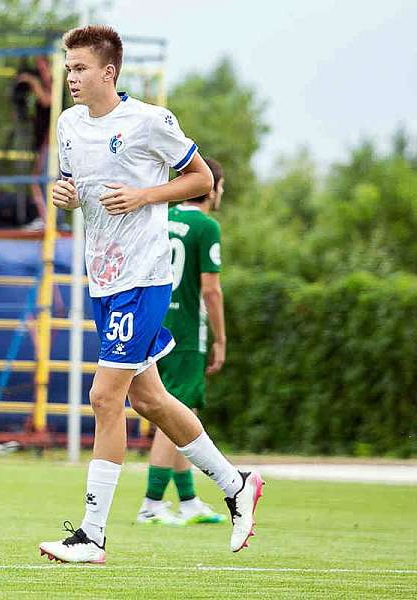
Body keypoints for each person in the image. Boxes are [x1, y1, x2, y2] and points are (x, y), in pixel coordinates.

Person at [38, 26, 262, 564]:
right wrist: (62, 195)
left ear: (108, 72)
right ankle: (237, 484)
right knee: (150, 400)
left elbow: (200, 179)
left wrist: (144, 194)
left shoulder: (149, 122)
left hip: (144, 277)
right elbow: (72, 190)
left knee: (103, 398)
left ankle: (92, 536)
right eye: (68, 68)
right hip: (104, 280)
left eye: (80, 68)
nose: (70, 77)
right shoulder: (69, 125)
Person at [137, 157, 228, 526]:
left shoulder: (165, 216)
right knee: (173, 415)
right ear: (211, 187)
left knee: (181, 412)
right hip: (188, 333)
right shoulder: (206, 226)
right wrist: (221, 338)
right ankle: (152, 503)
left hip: (156, 323)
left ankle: (188, 500)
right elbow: (211, 289)